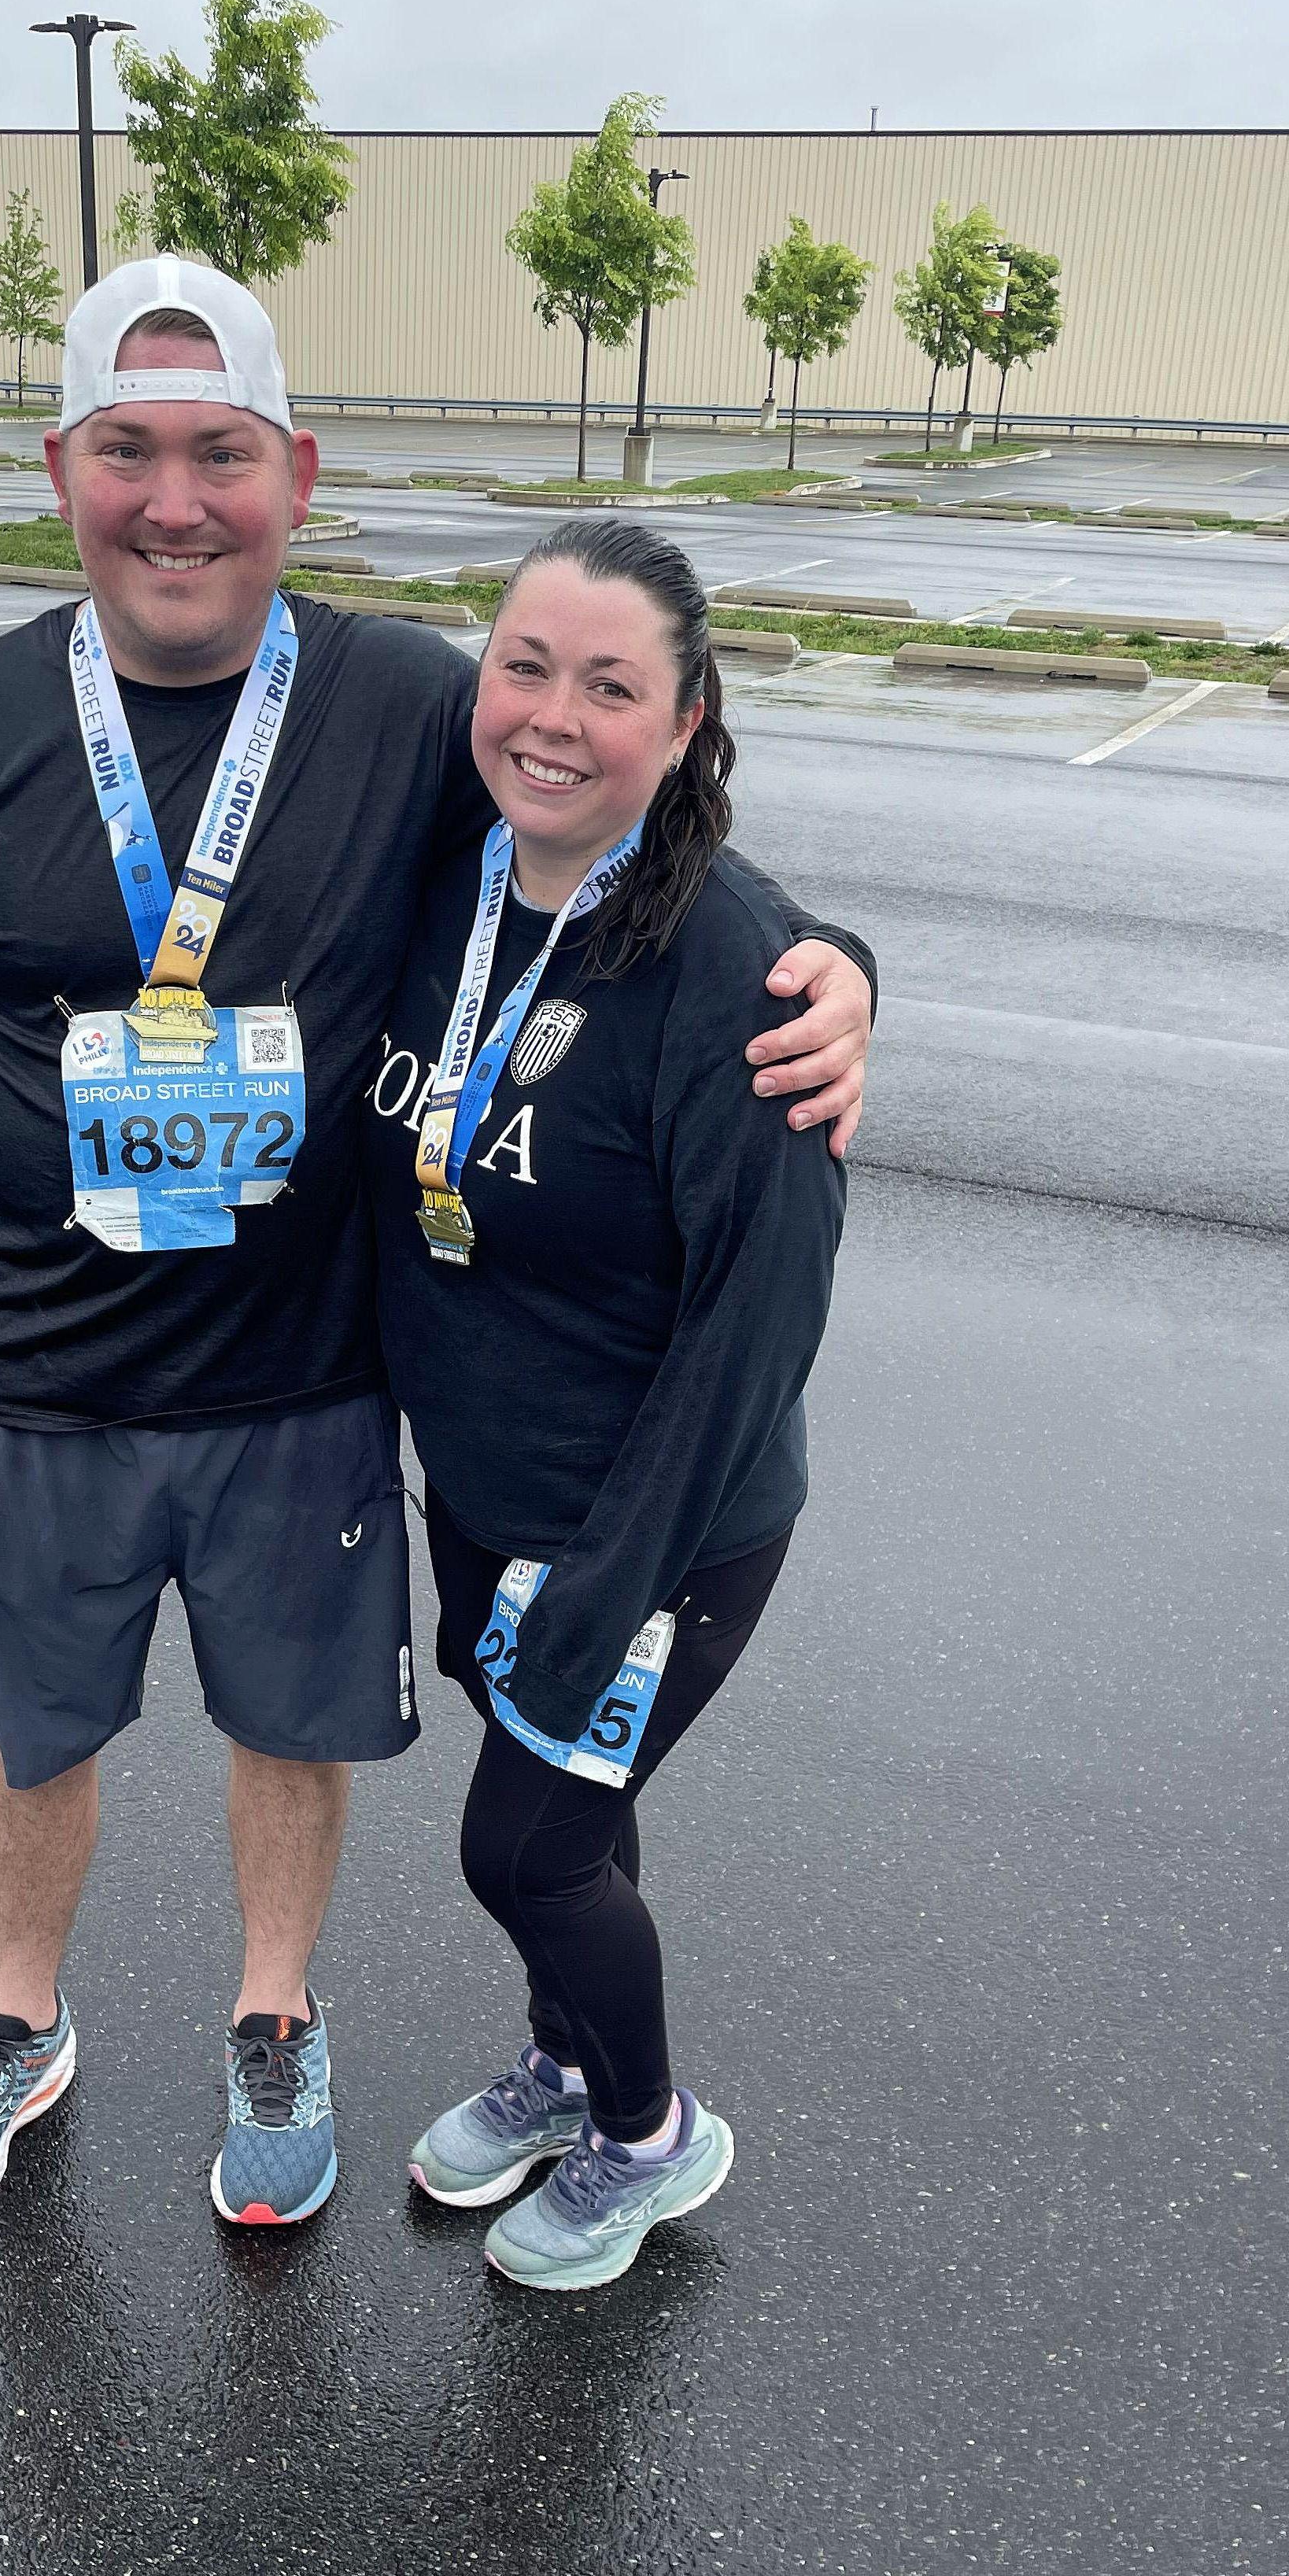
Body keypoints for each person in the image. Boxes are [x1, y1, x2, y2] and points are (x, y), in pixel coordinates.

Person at [0, 259, 873, 2233]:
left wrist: (832, 964)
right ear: (59, 467)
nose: (175, 501)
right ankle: (15, 2019)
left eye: (220, 453)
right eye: (127, 450)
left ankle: (275, 2017)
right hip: (39, 1364)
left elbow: (623, 835)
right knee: (27, 1731)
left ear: (295, 476)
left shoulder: (402, 705)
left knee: (289, 1727)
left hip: (307, 1370)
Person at [367, 520, 848, 2291]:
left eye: (610, 685)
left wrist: (602, 1590)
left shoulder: (736, 971)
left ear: (689, 717)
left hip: (662, 1525)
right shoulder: (453, 877)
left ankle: (648, 2132)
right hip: (487, 1490)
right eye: (523, 665)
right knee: (575, 1822)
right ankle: (566, 2063)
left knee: (529, 1843)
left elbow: (754, 1331)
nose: (553, 718)